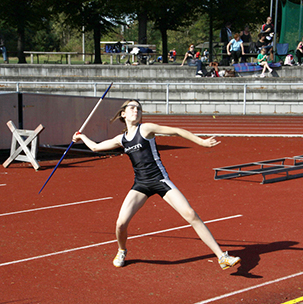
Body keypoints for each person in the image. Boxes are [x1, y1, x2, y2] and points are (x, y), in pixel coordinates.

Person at [71, 99, 242, 270]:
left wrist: (201, 141)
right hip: (141, 184)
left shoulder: (145, 129)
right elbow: (95, 147)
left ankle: (221, 257)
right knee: (120, 223)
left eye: (138, 108)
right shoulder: (121, 139)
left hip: (160, 180)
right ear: (123, 114)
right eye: (132, 107)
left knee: (190, 214)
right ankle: (122, 250)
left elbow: (175, 131)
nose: (136, 110)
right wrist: (81, 136)